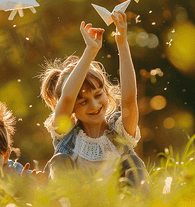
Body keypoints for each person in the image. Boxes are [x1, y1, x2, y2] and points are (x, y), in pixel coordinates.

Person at [40, 11, 149, 191]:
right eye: (83, 101)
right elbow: (67, 98)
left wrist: (122, 42)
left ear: (107, 93)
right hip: (76, 201)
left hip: (117, 202)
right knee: (60, 160)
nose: (94, 105)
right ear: (72, 109)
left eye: (98, 95)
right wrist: (90, 51)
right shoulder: (66, 134)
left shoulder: (120, 135)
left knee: (134, 164)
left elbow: (129, 100)